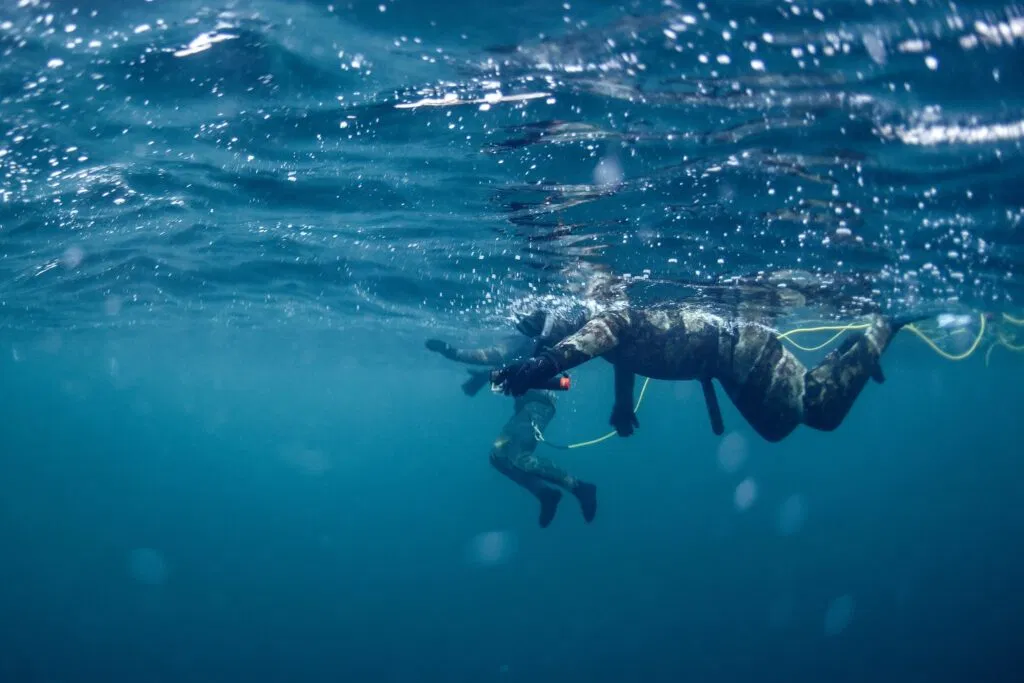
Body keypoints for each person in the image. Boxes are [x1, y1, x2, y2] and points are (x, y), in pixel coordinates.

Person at [490, 302, 931, 443]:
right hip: (722, 364)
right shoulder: (602, 333)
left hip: (738, 346)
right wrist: (622, 407)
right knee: (775, 429)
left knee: (821, 412)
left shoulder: (607, 317)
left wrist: (543, 365)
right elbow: (616, 354)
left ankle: (881, 327)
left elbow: (604, 335)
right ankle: (845, 357)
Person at [425, 302, 598, 528]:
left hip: (539, 405)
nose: (520, 323)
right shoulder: (534, 336)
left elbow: (489, 355)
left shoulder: (529, 339)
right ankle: (545, 493)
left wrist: (450, 351)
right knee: (497, 456)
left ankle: (578, 487)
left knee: (518, 456)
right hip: (529, 406)